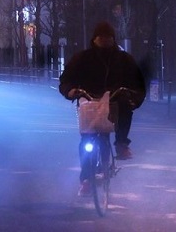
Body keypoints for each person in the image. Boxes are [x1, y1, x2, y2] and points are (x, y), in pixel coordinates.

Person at [59, 21, 146, 196]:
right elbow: (66, 79)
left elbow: (137, 82)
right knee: (86, 143)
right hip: (89, 103)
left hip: (113, 102)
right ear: (94, 39)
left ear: (113, 39)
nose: (105, 41)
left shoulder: (124, 59)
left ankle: (122, 143)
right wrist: (71, 91)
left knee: (124, 103)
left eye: (108, 38)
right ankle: (86, 180)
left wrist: (133, 97)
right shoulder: (82, 58)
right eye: (102, 38)